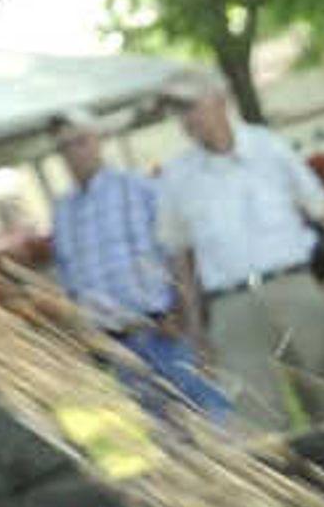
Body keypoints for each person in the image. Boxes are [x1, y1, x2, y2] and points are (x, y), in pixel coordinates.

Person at [148, 82, 324, 432]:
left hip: (293, 287)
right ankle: (290, 487)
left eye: (192, 105)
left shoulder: (267, 146)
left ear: (220, 101)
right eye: (179, 112)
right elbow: (181, 259)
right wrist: (195, 327)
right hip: (230, 308)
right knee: (256, 423)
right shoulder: (177, 177)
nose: (186, 118)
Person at [43, 113, 235, 425]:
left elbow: (180, 253)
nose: (74, 152)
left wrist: (185, 314)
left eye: (81, 141)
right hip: (117, 344)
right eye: (65, 147)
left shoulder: (140, 189)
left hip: (165, 331)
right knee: (165, 432)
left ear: (97, 141)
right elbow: (70, 282)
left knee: (212, 414)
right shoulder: (62, 212)